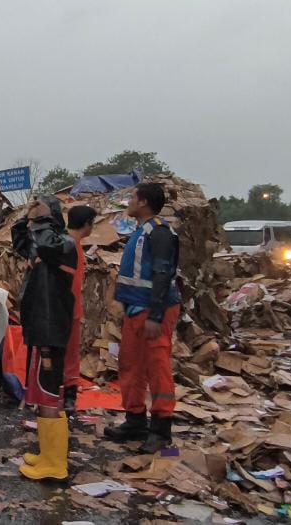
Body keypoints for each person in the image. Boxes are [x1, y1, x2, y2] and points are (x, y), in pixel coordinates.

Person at [104, 183, 181, 454]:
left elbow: (162, 273)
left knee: (157, 368)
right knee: (130, 366)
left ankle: (161, 429)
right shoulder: (140, 231)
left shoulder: (159, 232)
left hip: (153, 311)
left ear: (144, 202)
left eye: (133, 198)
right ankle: (134, 419)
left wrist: (156, 315)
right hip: (135, 310)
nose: (129, 202)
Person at [12, 195, 79, 481]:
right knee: (41, 394)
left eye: (38, 205)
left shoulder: (63, 243)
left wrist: (41, 219)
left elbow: (45, 245)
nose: (33, 208)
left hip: (51, 328)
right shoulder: (44, 242)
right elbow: (20, 243)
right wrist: (26, 217)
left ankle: (55, 464)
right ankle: (47, 454)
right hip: (41, 327)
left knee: (50, 395)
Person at [62, 205, 97, 418]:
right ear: (87, 224)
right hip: (65, 309)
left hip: (68, 308)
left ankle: (65, 395)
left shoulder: (73, 245)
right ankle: (66, 396)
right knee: (67, 356)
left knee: (67, 355)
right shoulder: (68, 246)